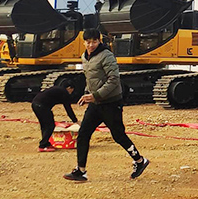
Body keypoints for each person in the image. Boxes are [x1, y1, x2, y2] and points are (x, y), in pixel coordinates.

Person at [63, 28, 149, 183]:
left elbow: (113, 80)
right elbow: (91, 79)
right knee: (83, 134)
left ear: (99, 41)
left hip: (111, 103)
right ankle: (80, 171)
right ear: (84, 42)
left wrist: (95, 95)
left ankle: (140, 161)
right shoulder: (85, 57)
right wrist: (87, 94)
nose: (91, 45)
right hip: (95, 104)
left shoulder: (107, 56)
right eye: (88, 42)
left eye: (94, 42)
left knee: (118, 136)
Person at [32, 78, 78, 152]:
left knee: (44, 125)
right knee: (50, 125)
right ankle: (42, 145)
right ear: (69, 88)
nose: (71, 92)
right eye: (72, 90)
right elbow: (68, 109)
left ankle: (46, 143)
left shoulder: (57, 89)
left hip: (35, 104)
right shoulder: (64, 92)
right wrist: (75, 120)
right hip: (42, 106)